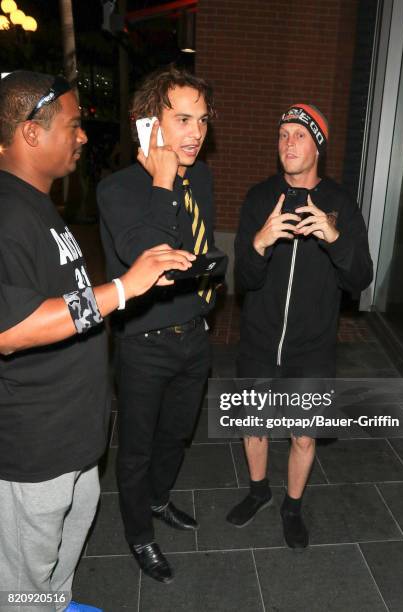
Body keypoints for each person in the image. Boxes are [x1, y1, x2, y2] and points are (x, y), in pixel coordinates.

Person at [0, 70, 195, 612]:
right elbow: (10, 330)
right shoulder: (6, 210)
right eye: (73, 125)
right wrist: (122, 289)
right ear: (31, 134)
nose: (84, 136)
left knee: (60, 563)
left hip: (74, 439)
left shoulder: (38, 204)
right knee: (20, 585)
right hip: (34, 451)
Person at [227, 104, 373, 549]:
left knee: (303, 433)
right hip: (258, 338)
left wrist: (335, 239)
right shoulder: (259, 198)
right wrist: (260, 241)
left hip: (311, 347)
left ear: (318, 146)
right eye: (283, 134)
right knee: (253, 424)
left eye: (299, 135)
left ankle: (292, 505)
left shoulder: (341, 204)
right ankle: (258, 491)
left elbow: (361, 278)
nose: (288, 143)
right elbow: (244, 280)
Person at [97, 66, 221, 583]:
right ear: (149, 124)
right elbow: (143, 252)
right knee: (138, 446)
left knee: (177, 435)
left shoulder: (204, 179)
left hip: (194, 334)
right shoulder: (117, 188)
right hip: (144, 343)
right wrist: (163, 179)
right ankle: (138, 535)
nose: (196, 132)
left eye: (203, 120)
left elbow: (191, 252)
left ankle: (159, 499)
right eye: (184, 119)